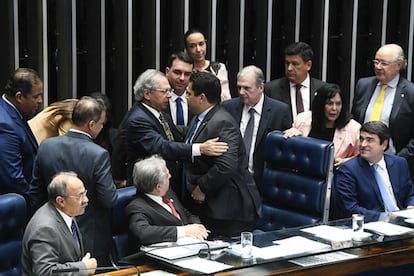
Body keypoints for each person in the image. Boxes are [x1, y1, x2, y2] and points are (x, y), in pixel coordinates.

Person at [30, 96, 117, 266]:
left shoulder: (46, 146)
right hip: (90, 238)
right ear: (91, 124)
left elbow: (35, 193)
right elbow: (109, 198)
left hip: (51, 232)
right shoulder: (98, 154)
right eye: (101, 124)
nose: (102, 128)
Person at [120, 69, 228, 196]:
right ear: (147, 94)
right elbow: (162, 147)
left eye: (169, 90)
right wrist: (200, 149)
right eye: (164, 91)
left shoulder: (160, 114)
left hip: (167, 185)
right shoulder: (138, 120)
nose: (170, 95)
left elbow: (176, 134)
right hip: (150, 188)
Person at [184, 71, 261, 238]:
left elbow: (226, 165)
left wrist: (202, 187)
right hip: (214, 206)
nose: (186, 97)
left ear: (202, 98)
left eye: (189, 93)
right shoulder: (201, 118)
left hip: (230, 210)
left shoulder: (222, 122)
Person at [221, 65, 292, 191]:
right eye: (239, 87)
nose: (241, 92)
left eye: (247, 88)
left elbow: (285, 147)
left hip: (263, 183)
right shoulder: (228, 108)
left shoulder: (280, 111)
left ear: (261, 87)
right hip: (231, 183)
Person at [352, 43, 414, 179]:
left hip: (394, 164)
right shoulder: (363, 85)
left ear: (399, 65)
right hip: (362, 161)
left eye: (384, 63)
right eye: (376, 62)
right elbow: (354, 121)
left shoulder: (410, 92)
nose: (378, 67)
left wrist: (397, 161)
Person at [22, 172, 97, 276]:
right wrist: (83, 268)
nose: (86, 200)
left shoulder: (66, 211)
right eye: (80, 196)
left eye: (84, 193)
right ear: (61, 201)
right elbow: (45, 272)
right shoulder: (44, 228)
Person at [334, 121, 414, 218]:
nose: (363, 144)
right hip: (372, 224)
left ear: (384, 144)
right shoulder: (348, 170)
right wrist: (385, 217)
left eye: (370, 140)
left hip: (403, 221)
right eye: (361, 139)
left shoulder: (399, 163)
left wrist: (410, 207)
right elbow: (350, 208)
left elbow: (410, 192)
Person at [126, 155, 208, 246]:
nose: (170, 176)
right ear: (158, 187)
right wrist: (183, 231)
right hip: (159, 255)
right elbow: (143, 233)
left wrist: (197, 227)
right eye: (167, 175)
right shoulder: (137, 206)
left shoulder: (168, 193)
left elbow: (185, 214)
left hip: (190, 245)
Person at [284, 83, 360, 167]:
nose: (334, 108)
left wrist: (345, 162)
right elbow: (290, 151)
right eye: (329, 103)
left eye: (338, 104)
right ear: (320, 104)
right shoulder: (302, 119)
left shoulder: (353, 128)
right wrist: (293, 136)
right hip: (302, 173)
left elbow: (362, 158)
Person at [0, 68, 43, 198]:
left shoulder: (13, 111)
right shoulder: (5, 125)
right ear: (19, 97)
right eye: (36, 96)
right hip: (17, 205)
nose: (40, 100)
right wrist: (37, 201)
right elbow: (13, 178)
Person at [265, 42, 325, 120]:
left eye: (295, 64)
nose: (289, 68)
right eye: (287, 63)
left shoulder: (322, 89)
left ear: (308, 65)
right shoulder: (272, 89)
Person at [184, 28, 231, 101]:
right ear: (186, 49)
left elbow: (226, 99)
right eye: (192, 46)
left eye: (201, 44)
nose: (198, 50)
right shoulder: (185, 70)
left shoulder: (218, 68)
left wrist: (214, 82)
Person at [165, 52, 195, 132]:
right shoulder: (157, 98)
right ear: (167, 72)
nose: (182, 78)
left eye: (187, 74)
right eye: (177, 72)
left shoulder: (197, 99)